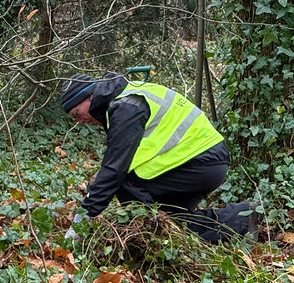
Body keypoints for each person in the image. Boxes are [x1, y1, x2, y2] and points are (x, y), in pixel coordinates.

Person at [60, 71, 256, 243]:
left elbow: (115, 170)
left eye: (78, 114)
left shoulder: (126, 107)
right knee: (172, 221)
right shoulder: (124, 100)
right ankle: (244, 217)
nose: (81, 121)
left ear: (90, 97)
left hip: (199, 162)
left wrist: (82, 218)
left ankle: (147, 225)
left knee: (125, 187)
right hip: (202, 161)